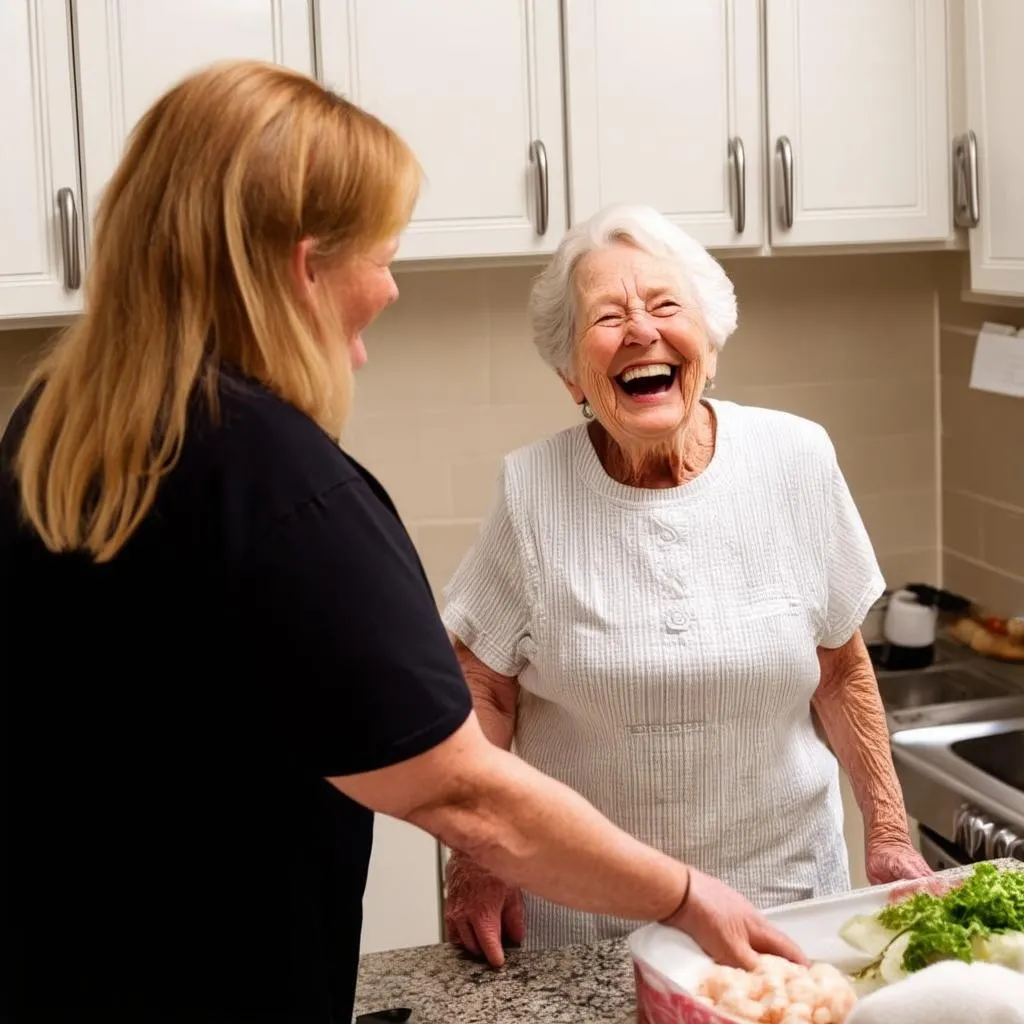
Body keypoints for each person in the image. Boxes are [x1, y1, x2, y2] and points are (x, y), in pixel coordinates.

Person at [0, 65, 804, 1024]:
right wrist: (685, 894)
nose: (388, 286)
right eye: (381, 255)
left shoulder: (55, 425)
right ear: (305, 267)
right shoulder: (288, 493)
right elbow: (468, 796)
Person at [442, 204, 932, 962]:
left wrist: (890, 834)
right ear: (571, 372)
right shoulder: (532, 490)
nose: (641, 331)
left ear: (710, 340)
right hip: (590, 922)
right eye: (608, 316)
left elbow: (840, 669)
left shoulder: (796, 459)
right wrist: (479, 857)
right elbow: (487, 692)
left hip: (788, 911)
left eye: (666, 305)